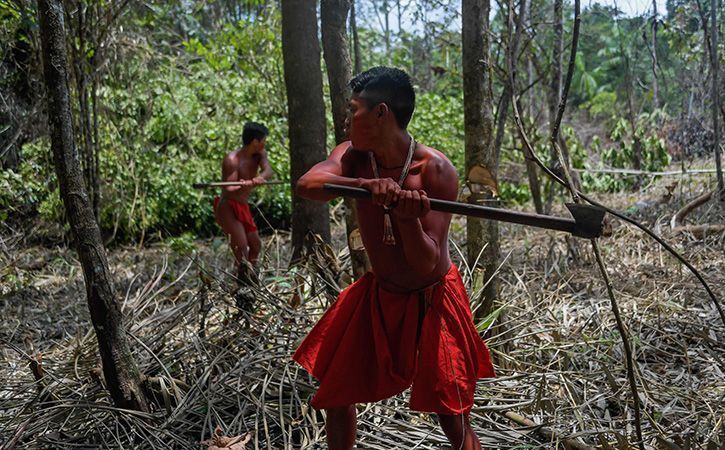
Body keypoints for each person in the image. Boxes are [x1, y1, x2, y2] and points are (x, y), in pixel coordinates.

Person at [293, 67, 495, 450]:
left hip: (432, 297)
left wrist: (407, 221)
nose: (347, 119)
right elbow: (308, 184)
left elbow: (425, 261)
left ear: (381, 113)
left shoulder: (435, 170)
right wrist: (365, 186)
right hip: (380, 294)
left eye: (354, 109)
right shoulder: (353, 158)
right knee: (336, 393)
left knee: (451, 413)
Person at [214, 122, 273, 275]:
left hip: (243, 206)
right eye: (263, 140)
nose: (264, 143)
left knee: (255, 245)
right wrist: (243, 186)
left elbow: (268, 170)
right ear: (255, 142)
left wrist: (259, 178)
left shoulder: (260, 155)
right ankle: (242, 282)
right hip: (228, 207)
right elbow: (228, 188)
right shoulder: (232, 159)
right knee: (241, 248)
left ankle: (251, 276)